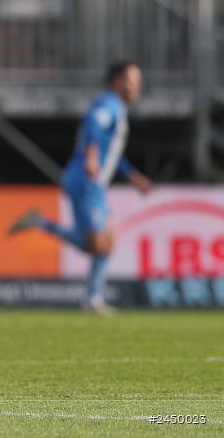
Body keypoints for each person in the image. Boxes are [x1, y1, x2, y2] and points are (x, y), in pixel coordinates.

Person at [8, 61, 153, 316]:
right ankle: (42, 223)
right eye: (132, 79)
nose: (137, 84)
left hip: (93, 183)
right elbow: (92, 124)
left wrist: (133, 177)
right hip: (86, 180)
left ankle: (93, 297)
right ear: (117, 81)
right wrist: (91, 154)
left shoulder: (117, 109)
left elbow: (113, 153)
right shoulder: (108, 103)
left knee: (106, 243)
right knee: (98, 245)